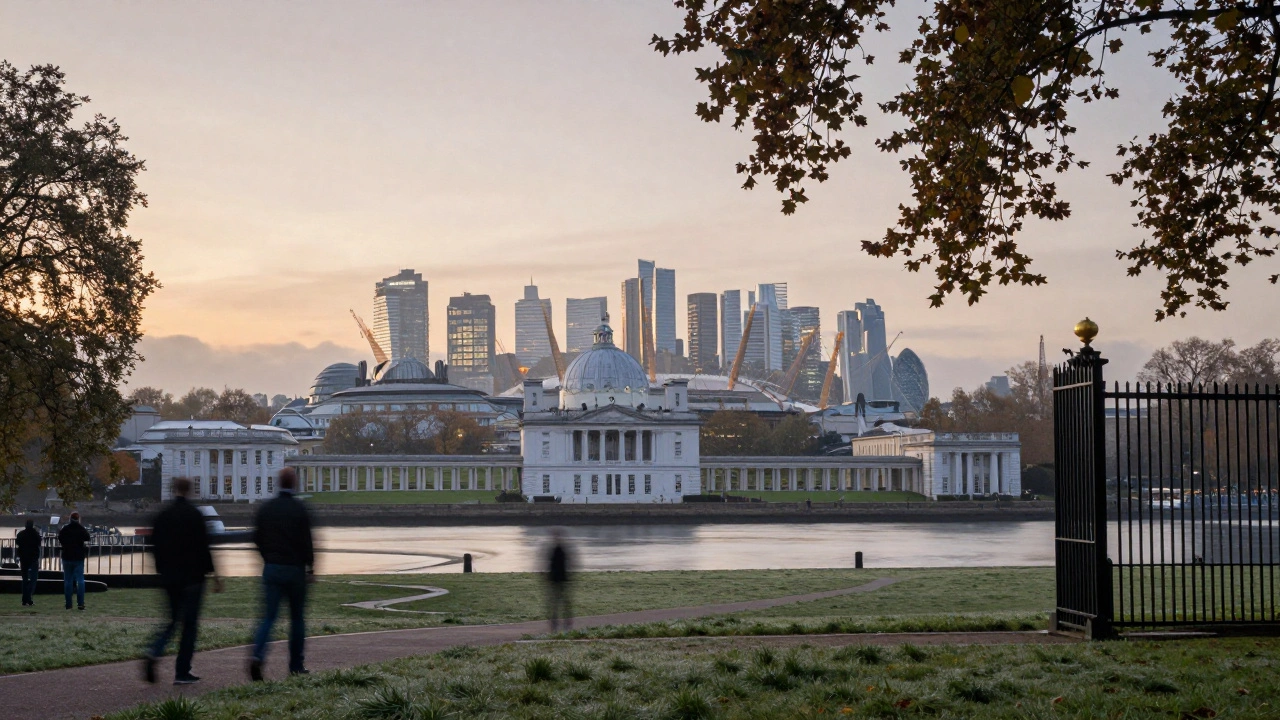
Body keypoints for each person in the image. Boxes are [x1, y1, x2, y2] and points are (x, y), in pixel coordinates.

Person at [143, 477, 223, 685]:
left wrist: (161, 570)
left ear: (174, 490)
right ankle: (182, 671)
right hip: (193, 577)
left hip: (170, 576)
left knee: (171, 620)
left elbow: (153, 545)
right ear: (190, 491)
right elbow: (204, 547)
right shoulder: (195, 515)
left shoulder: (163, 515)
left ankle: (155, 650)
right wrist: (214, 574)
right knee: (189, 625)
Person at [249, 467, 314, 681]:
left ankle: (257, 655)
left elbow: (257, 538)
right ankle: (296, 665)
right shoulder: (299, 508)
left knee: (268, 617)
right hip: (295, 569)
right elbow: (307, 541)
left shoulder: (266, 508)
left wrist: (267, 557)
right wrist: (311, 567)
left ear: (278, 483)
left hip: (272, 567)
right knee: (297, 619)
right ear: (293, 483)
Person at [57, 512, 91, 610]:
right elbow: (87, 538)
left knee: (68, 580)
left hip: (67, 556)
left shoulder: (65, 529)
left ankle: (68, 604)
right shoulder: (81, 529)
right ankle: (80, 603)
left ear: (70, 519)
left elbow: (60, 538)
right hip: (79, 557)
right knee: (80, 580)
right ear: (78, 519)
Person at [546, 528, 572, 633]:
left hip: (557, 579)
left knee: (556, 602)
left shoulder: (557, 549)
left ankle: (557, 623)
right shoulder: (561, 549)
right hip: (561, 578)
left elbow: (553, 565)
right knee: (561, 602)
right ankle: (564, 622)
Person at [16, 520, 42, 606]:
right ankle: (29, 597)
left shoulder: (21, 534)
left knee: (25, 579)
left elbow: (17, 542)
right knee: (33, 579)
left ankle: (24, 599)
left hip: (23, 559)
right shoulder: (35, 534)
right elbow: (39, 543)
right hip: (33, 558)